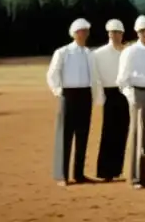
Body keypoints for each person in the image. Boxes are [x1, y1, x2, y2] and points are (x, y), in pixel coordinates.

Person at [46, 18, 104, 186]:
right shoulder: (62, 52)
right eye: (82, 31)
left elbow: (94, 77)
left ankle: (79, 174)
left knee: (82, 135)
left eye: (86, 31)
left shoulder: (89, 54)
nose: (85, 34)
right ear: (74, 33)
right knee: (65, 135)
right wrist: (58, 91)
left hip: (85, 95)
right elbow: (52, 74)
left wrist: (95, 96)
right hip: (68, 94)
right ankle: (61, 176)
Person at [117, 15, 145, 189]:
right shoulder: (130, 52)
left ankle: (143, 175)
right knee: (137, 136)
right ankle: (135, 177)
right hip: (138, 94)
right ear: (138, 32)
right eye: (144, 31)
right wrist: (131, 96)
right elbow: (122, 79)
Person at [93, 19, 128, 182]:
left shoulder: (126, 52)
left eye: (118, 33)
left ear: (122, 34)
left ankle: (117, 169)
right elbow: (96, 78)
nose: (115, 36)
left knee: (122, 132)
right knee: (108, 132)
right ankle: (105, 170)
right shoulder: (98, 54)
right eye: (113, 33)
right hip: (109, 94)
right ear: (108, 34)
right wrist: (101, 97)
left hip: (125, 94)